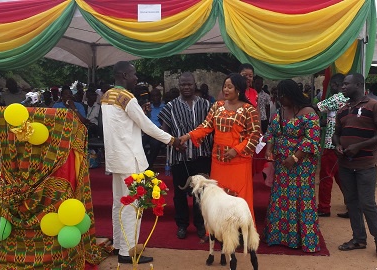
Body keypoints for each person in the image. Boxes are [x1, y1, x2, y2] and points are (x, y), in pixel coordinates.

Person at [100, 61, 182, 264]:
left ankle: (119, 245)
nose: (136, 78)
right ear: (124, 75)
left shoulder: (106, 96)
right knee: (131, 205)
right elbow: (147, 126)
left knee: (118, 204)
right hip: (129, 158)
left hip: (115, 158)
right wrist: (172, 140)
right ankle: (127, 252)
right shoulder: (127, 97)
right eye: (133, 74)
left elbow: (127, 124)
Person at [179, 73, 261, 219]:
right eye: (224, 86)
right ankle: (219, 230)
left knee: (239, 198)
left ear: (239, 90)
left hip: (239, 163)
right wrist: (188, 136)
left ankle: (241, 231)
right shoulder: (217, 106)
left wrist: (236, 150)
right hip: (219, 161)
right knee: (218, 197)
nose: (226, 90)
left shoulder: (249, 110)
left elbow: (254, 135)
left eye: (230, 87)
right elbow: (206, 126)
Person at [333, 73, 377, 259]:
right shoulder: (342, 109)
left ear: (358, 85)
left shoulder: (375, 106)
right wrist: (337, 145)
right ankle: (359, 238)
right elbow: (337, 133)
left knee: (367, 203)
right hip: (346, 164)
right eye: (342, 84)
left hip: (366, 163)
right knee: (352, 202)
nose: (342, 87)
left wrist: (359, 146)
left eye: (346, 84)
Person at [263, 79, 322, 251]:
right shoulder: (280, 111)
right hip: (282, 164)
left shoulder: (309, 112)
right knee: (280, 199)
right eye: (278, 95)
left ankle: (304, 240)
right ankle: (279, 237)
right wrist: (269, 149)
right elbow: (272, 133)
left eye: (283, 95)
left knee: (300, 199)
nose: (280, 99)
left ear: (292, 95)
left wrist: (294, 158)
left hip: (301, 167)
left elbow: (312, 140)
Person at [158, 72, 213, 239]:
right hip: (179, 158)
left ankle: (200, 225)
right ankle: (182, 225)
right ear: (178, 86)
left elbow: (213, 127)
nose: (186, 87)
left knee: (201, 192)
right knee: (180, 193)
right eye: (183, 84)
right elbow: (164, 132)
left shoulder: (206, 105)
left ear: (195, 85)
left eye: (189, 84)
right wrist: (173, 143)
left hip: (202, 155)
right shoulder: (170, 106)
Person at [315, 73, 350, 218]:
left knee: (326, 177)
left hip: (331, 144)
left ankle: (324, 207)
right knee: (342, 177)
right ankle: (352, 204)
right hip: (345, 143)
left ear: (335, 85)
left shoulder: (336, 98)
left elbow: (317, 108)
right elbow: (330, 120)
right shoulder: (350, 99)